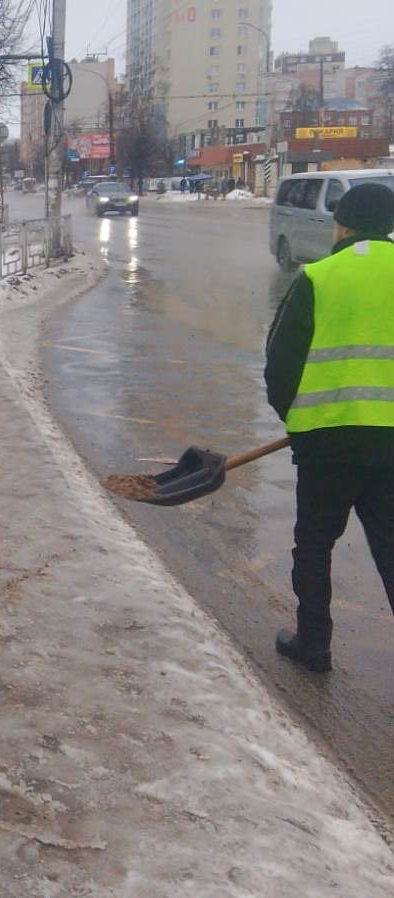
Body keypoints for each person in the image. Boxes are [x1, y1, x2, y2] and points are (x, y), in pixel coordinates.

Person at [264, 183, 394, 673]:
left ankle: (313, 645)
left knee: (316, 544)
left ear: (343, 224)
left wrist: (297, 422)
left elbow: (280, 364)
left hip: (326, 445)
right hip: (392, 446)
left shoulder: (318, 277)